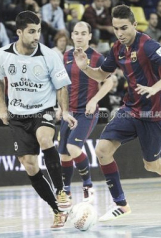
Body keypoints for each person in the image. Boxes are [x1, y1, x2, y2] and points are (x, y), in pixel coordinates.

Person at [73, 5, 161, 222]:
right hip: (130, 109)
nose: (120, 33)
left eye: (124, 28)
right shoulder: (117, 48)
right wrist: (85, 67)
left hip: (153, 114)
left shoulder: (148, 45)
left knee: (151, 165)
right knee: (102, 150)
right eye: (116, 28)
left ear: (134, 25)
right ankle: (121, 204)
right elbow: (101, 75)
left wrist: (155, 88)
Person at [0, 11, 77, 229]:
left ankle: (61, 191)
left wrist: (64, 111)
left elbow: (61, 86)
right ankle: (57, 210)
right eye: (31, 32)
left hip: (43, 110)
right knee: (29, 165)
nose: (36, 36)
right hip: (18, 115)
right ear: (19, 32)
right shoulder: (3, 55)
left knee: (45, 139)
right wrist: (2, 107)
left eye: (38, 31)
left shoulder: (49, 55)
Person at [58, 21, 113, 204]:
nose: (79, 36)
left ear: (90, 36)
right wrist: (62, 109)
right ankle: (66, 190)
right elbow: (62, 85)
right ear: (72, 36)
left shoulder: (97, 57)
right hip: (69, 112)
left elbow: (110, 82)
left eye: (83, 33)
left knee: (73, 148)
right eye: (76, 33)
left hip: (87, 112)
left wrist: (94, 100)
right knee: (64, 154)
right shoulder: (66, 56)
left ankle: (88, 186)